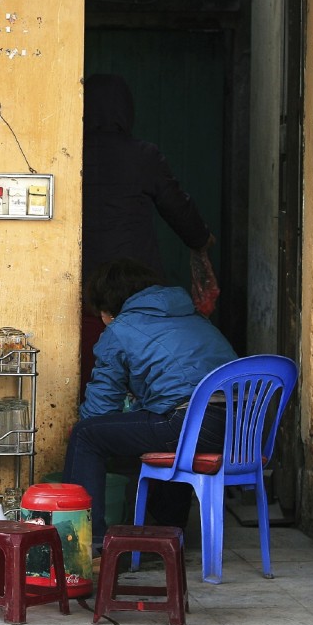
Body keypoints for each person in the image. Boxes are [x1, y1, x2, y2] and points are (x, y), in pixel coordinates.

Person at [62, 258, 237, 549]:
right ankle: (169, 531)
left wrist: (83, 425)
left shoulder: (120, 328)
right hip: (240, 429)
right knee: (165, 427)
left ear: (108, 307)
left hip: (192, 423)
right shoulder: (194, 318)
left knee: (86, 435)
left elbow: (99, 410)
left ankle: (83, 544)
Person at [80, 72, 216, 390]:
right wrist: (200, 239)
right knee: (138, 358)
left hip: (82, 277)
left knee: (90, 357)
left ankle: (90, 421)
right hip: (135, 277)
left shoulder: (68, 153)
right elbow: (178, 207)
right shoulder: (142, 155)